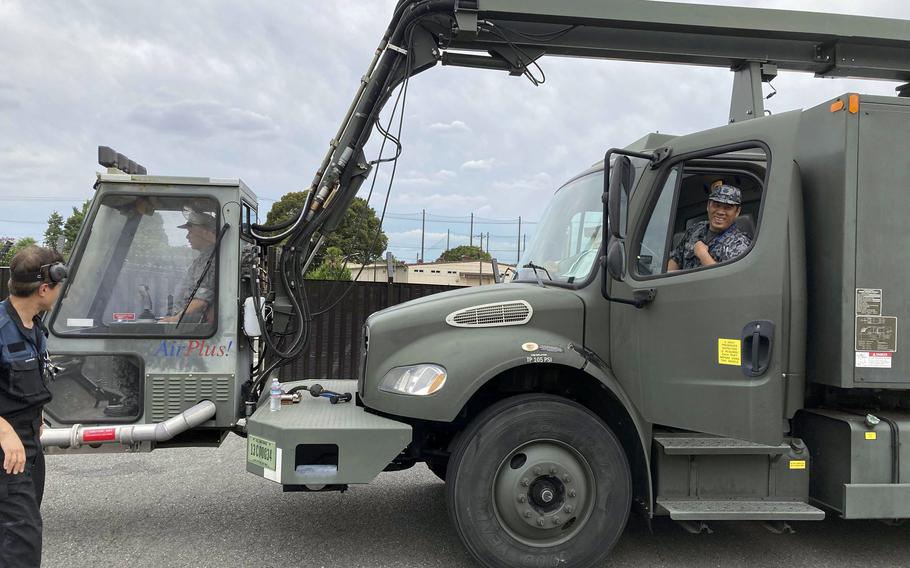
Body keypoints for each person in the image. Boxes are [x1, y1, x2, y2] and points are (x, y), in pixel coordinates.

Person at [1, 245, 66, 567]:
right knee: (22, 536)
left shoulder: (35, 327)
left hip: (29, 443)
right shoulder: (1, 329)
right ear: (44, 289)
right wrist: (5, 433)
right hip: (6, 448)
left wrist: (36, 417)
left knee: (17, 528)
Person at [667, 184, 751, 271]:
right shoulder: (695, 229)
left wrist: (703, 255)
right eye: (716, 205)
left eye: (727, 207)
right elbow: (676, 259)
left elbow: (727, 281)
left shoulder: (741, 244)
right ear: (708, 206)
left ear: (737, 212)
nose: (720, 212)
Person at [160, 207, 217, 324]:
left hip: (192, 327)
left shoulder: (211, 260)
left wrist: (175, 320)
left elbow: (202, 300)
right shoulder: (204, 258)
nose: (187, 237)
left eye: (190, 231)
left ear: (205, 232)